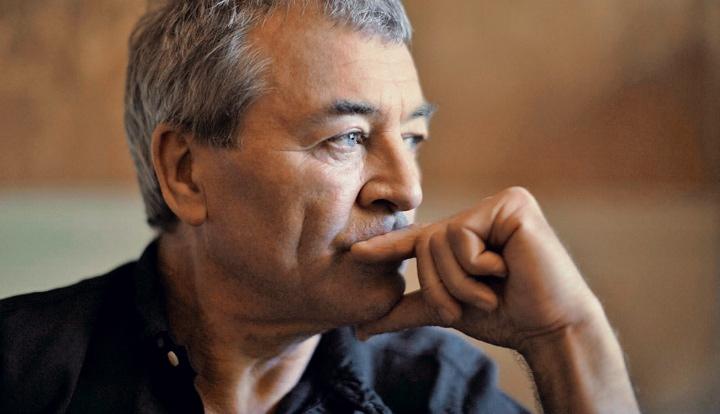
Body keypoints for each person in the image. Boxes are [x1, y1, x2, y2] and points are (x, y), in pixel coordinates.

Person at [0, 1, 640, 413]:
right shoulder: (21, 372)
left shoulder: (436, 392)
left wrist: (565, 338)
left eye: (412, 138)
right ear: (186, 172)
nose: (407, 191)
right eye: (348, 138)